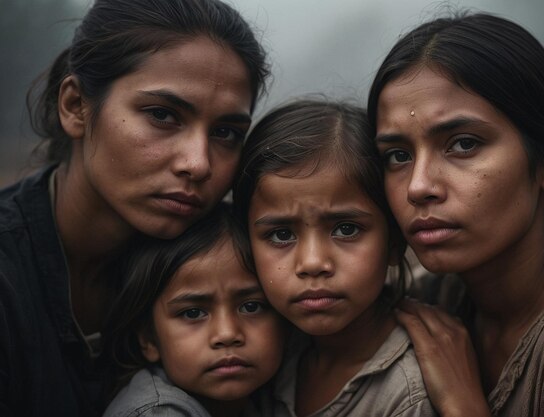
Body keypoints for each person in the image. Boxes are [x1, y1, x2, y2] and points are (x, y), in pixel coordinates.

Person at [0, 0, 269, 415]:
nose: (198, 163)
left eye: (226, 133)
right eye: (163, 115)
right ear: (75, 106)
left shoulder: (227, 255)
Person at [367, 11, 544, 417]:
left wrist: (463, 407)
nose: (418, 186)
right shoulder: (429, 300)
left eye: (464, 144)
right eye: (398, 156)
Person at [233, 99, 437, 417]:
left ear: (395, 242)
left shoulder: (408, 397)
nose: (313, 263)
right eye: (281, 235)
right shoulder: (268, 356)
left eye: (346, 229)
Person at [103, 202, 285, 417]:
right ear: (148, 338)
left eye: (251, 307)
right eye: (193, 313)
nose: (226, 334)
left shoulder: (271, 397)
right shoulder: (159, 413)